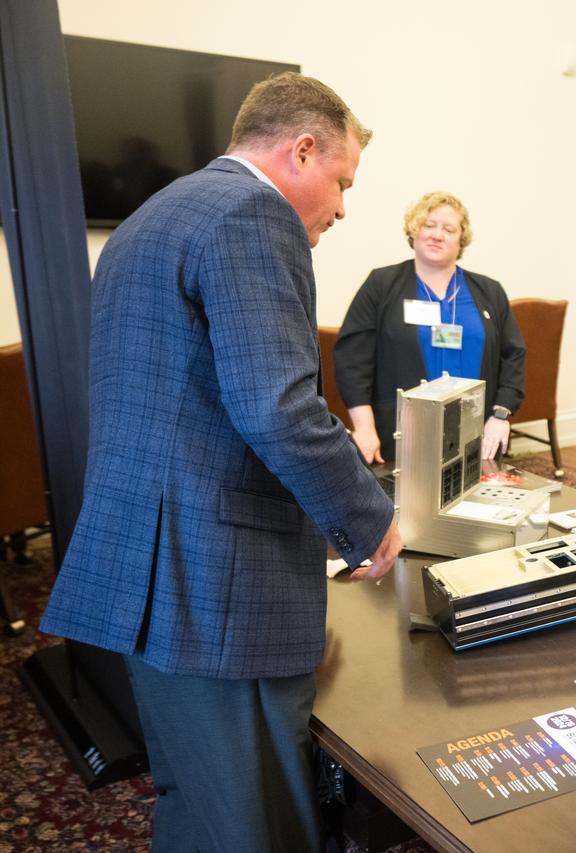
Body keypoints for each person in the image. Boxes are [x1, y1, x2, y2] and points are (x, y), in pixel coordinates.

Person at [39, 72, 401, 851]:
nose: (343, 207)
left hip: (150, 568)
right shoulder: (253, 214)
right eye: (342, 181)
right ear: (302, 150)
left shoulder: (149, 218)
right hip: (218, 583)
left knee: (197, 799)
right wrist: (370, 517)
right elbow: (278, 406)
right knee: (254, 817)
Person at [334, 192, 525, 465]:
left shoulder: (489, 291)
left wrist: (500, 415)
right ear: (414, 231)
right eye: (429, 225)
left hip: (478, 431)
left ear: (461, 239)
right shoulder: (381, 285)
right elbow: (352, 360)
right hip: (401, 433)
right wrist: (364, 427)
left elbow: (514, 355)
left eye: (449, 229)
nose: (437, 235)